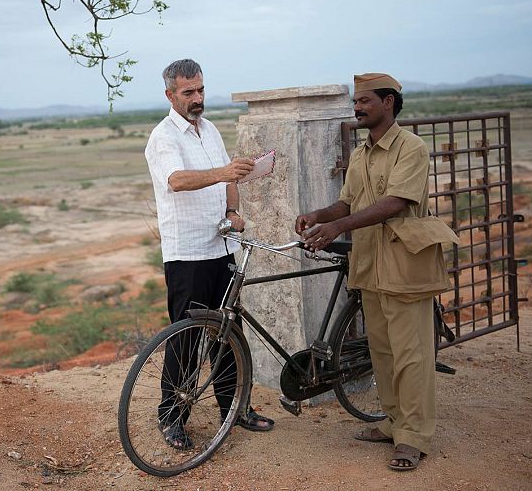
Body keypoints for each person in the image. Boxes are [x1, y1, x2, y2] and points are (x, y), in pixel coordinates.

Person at [295, 73, 457, 471]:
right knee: (383, 354)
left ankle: (413, 437)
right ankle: (392, 423)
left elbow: (396, 203)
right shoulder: (362, 153)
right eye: (356, 102)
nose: (357, 108)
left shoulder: (411, 149)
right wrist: (319, 215)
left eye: (365, 100)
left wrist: (337, 228)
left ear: (389, 102)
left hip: (405, 268)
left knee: (412, 356)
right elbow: (348, 204)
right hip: (370, 268)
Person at [145, 58, 274, 450]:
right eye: (189, 92)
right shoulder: (163, 137)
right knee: (185, 338)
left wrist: (233, 210)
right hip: (187, 254)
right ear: (170, 95)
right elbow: (177, 181)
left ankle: (235, 408)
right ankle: (172, 417)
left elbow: (229, 177)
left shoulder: (211, 129)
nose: (197, 98)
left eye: (200, 89)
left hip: (222, 247)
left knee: (228, 333)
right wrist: (222, 173)